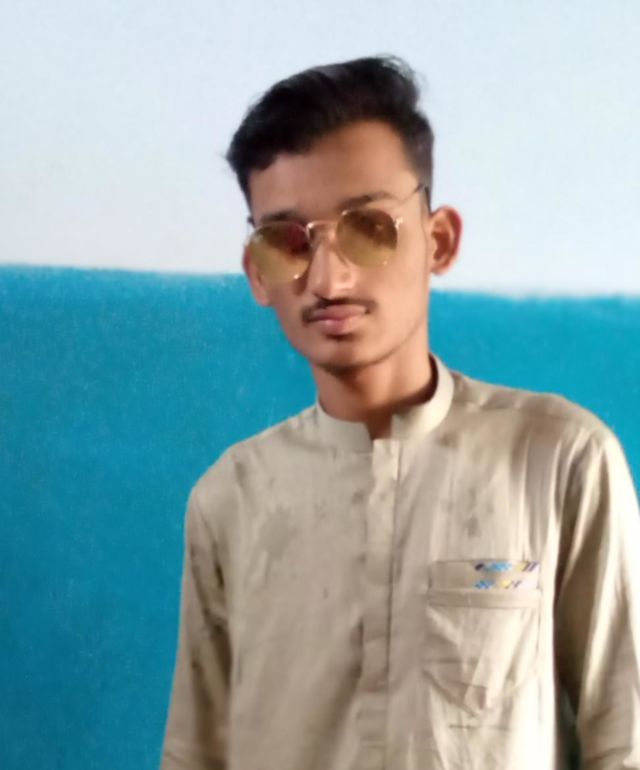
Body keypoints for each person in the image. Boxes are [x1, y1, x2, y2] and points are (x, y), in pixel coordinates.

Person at [160, 56, 640, 770]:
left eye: (368, 228)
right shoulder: (231, 498)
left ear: (438, 240)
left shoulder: (559, 462)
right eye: (287, 242)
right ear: (258, 273)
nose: (329, 278)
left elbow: (624, 741)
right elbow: (196, 752)